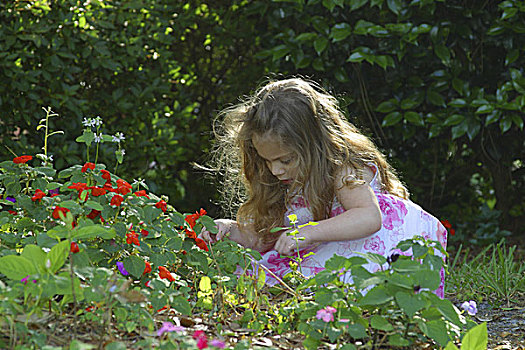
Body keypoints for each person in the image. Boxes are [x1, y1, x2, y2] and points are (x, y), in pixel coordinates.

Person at [201, 77, 447, 297]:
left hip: (373, 252)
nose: (275, 170)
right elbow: (266, 236)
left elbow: (369, 217)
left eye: (285, 160)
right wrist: (229, 230)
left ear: (314, 145)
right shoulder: (286, 182)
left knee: (336, 276)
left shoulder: (344, 169)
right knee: (257, 275)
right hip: (325, 255)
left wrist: (308, 232)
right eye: (267, 161)